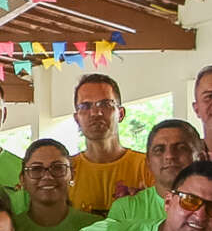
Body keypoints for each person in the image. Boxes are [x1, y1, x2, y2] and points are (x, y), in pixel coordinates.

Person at [66, 72, 153, 214]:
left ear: (121, 113)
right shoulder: (66, 172)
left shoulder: (148, 167)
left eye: (105, 104)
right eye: (85, 106)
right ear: (76, 118)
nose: (95, 112)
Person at [10, 139, 100, 231]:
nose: (47, 176)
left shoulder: (95, 228)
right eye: (36, 169)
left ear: (72, 175)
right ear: (22, 179)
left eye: (58, 168)